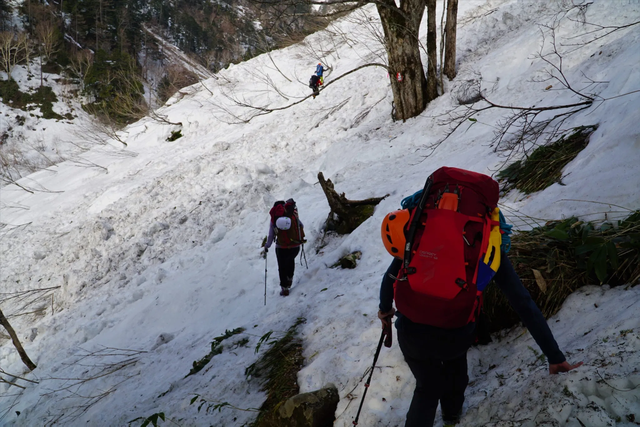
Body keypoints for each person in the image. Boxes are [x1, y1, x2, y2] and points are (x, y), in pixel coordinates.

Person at [378, 213, 582, 427]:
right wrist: (554, 355)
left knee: (426, 387)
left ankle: (441, 413)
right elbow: (523, 303)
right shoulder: (486, 243)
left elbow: (389, 277)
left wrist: (384, 311)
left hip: (412, 331)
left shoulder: (423, 230)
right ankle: (451, 417)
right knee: (455, 370)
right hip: (455, 332)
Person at [265, 199, 305, 296]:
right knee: (290, 261)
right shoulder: (292, 214)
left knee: (282, 267)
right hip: (295, 246)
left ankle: (285, 288)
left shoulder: (275, 217)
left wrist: (267, 246)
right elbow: (301, 225)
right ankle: (290, 279)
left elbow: (271, 235)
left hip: (281, 247)